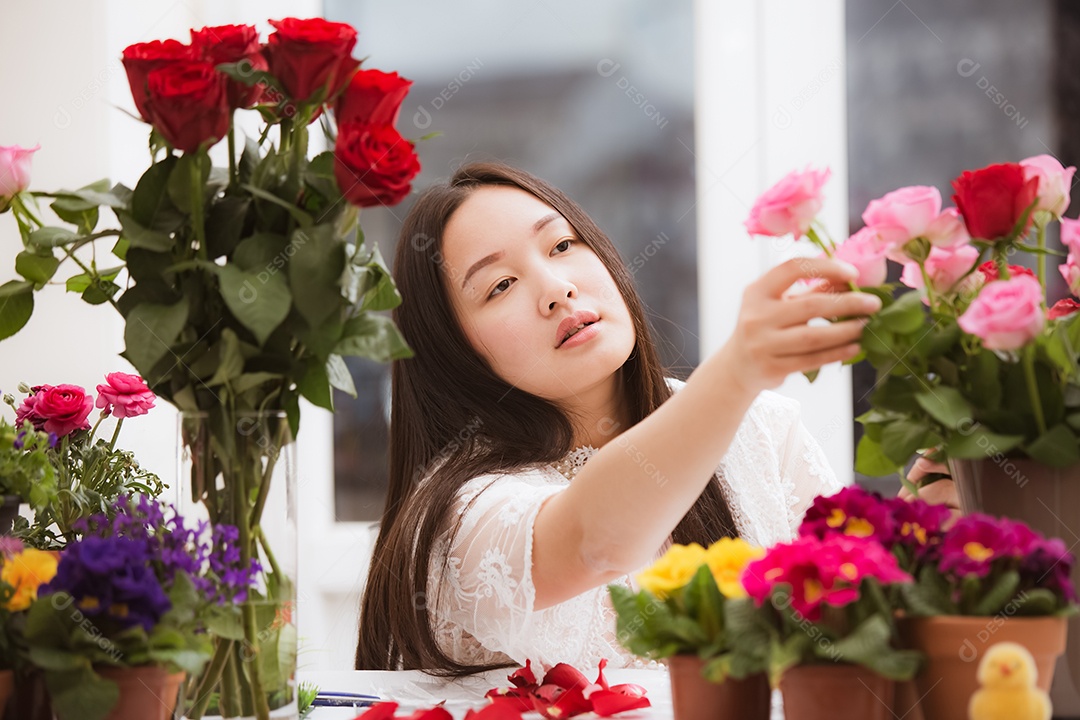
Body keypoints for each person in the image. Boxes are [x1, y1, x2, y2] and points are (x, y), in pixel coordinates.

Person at [355, 162, 882, 675]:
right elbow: (594, 543)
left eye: (562, 245)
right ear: (456, 353)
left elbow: (862, 621)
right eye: (500, 285)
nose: (557, 289)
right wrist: (737, 371)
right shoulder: (459, 509)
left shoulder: (763, 429)